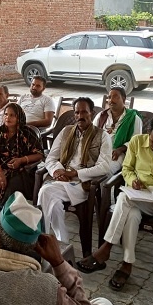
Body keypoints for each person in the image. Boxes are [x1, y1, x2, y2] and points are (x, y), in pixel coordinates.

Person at [76, 116, 153, 291]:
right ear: (147, 134)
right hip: (136, 195)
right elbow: (126, 169)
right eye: (152, 142)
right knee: (132, 214)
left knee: (123, 198)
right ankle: (126, 265)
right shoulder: (136, 142)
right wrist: (133, 179)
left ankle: (106, 247)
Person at [38, 97, 112, 244]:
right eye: (77, 113)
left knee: (45, 192)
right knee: (55, 205)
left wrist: (75, 173)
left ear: (92, 113)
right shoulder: (66, 131)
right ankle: (63, 242)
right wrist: (57, 172)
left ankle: (42, 241)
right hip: (62, 180)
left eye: (84, 112)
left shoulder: (102, 135)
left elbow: (105, 166)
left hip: (83, 184)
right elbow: (51, 158)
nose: (80, 116)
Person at [93, 87, 143, 174]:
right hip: (99, 151)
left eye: (115, 96)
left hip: (118, 154)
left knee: (105, 172)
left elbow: (136, 141)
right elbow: (91, 134)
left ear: (123, 99)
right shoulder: (101, 116)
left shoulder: (134, 118)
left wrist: (120, 150)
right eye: (109, 97)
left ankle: (104, 187)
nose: (111, 100)